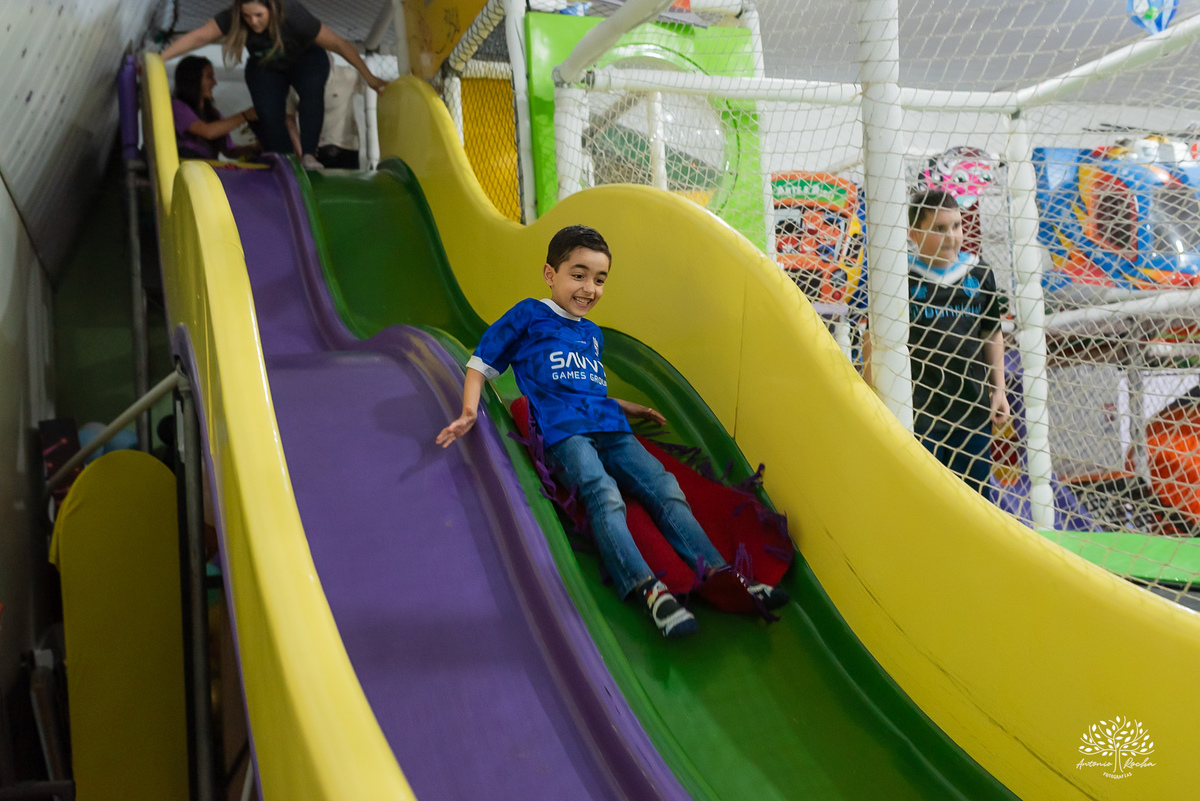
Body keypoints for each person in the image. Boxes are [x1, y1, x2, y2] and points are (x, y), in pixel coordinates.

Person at [435, 226, 788, 638]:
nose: (589, 288)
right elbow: (480, 362)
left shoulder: (592, 334)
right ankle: (648, 589)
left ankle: (720, 573)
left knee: (664, 486)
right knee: (602, 492)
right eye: (578, 274)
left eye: (599, 279)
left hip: (610, 425)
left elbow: (584, 387)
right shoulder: (530, 314)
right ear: (551, 274)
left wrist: (626, 405)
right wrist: (468, 409)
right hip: (564, 432)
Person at [862, 189, 1010, 495]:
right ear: (914, 233)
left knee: (975, 503)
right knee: (923, 497)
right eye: (939, 228)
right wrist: (870, 391)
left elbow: (991, 332)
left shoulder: (979, 273)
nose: (951, 236)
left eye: (956, 226)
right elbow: (873, 336)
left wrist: (999, 389)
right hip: (918, 415)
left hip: (971, 411)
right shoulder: (898, 276)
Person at [160, 0, 388, 170]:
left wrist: (369, 77)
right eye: (247, 16)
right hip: (267, 65)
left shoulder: (293, 14)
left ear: (272, 8)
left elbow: (339, 44)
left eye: (259, 15)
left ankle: (309, 155)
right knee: (267, 111)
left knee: (310, 90)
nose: (253, 22)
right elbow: (200, 36)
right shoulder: (234, 18)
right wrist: (162, 57)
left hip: (306, 59)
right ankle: (286, 160)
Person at [171, 56, 259, 160]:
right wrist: (245, 115)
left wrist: (253, 149)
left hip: (209, 170)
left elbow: (228, 150)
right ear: (193, 79)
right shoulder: (177, 107)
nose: (215, 83)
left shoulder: (214, 114)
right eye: (209, 77)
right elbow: (208, 132)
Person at [285, 54, 362, 169]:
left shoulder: (348, 76)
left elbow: (372, 91)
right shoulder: (294, 84)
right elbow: (289, 119)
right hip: (313, 151)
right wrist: (303, 152)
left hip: (345, 147)